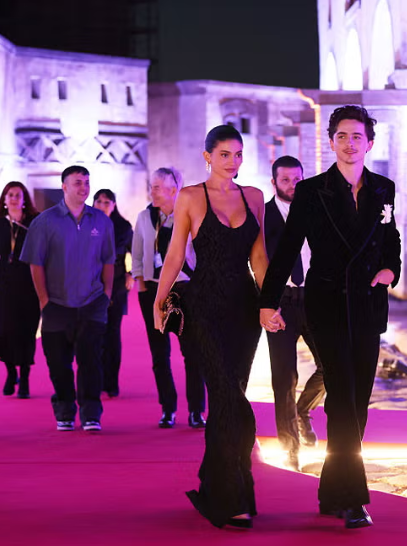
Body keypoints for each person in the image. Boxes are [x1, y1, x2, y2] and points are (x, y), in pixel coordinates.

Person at [259, 105, 401, 529]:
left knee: (357, 403)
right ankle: (353, 498)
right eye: (341, 136)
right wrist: (268, 302)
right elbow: (287, 249)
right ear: (331, 142)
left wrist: (390, 268)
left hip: (369, 306)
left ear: (369, 143)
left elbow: (390, 237)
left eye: (357, 136)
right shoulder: (311, 191)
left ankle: (331, 490)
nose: (349, 144)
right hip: (327, 306)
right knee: (340, 398)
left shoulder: (384, 188)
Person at [153, 125, 270, 529]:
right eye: (224, 154)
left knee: (229, 396)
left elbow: (260, 257)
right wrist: (158, 301)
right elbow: (174, 255)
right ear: (207, 157)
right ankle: (235, 497)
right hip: (204, 306)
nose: (233, 162)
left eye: (238, 154)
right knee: (226, 396)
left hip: (244, 310)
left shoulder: (254, 197)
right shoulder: (190, 197)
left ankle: (214, 484)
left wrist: (269, 303)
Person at [20, 166, 115, 432]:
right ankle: (64, 409)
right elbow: (35, 263)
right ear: (64, 187)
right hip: (56, 305)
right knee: (58, 364)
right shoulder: (45, 222)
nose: (83, 187)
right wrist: (44, 300)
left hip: (92, 302)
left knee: (91, 362)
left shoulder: (101, 221)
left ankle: (91, 413)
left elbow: (108, 260)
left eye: (86, 182)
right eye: (77, 183)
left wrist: (106, 294)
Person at [263, 156, 325, 471]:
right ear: (274, 182)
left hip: (315, 300)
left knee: (331, 366)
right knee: (284, 378)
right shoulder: (263, 216)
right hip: (281, 302)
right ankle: (290, 449)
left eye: (297, 179)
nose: (292, 185)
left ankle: (303, 409)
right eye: (285, 180)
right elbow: (257, 261)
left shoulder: (316, 210)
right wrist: (267, 303)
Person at [132, 168, 205, 428]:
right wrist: (142, 287)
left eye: (156, 187)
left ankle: (196, 410)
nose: (151, 192)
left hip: (185, 289)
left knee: (192, 353)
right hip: (153, 290)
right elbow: (137, 253)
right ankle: (168, 408)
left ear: (173, 190)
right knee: (159, 354)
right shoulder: (145, 217)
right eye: (151, 186)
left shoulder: (190, 214)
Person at [0, 182, 41, 398]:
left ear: (24, 199)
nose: (14, 199)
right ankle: (11, 373)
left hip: (29, 285)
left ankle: (25, 378)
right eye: (10, 195)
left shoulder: (34, 223)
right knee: (5, 332)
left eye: (18, 195)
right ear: (4, 199)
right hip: (4, 287)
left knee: (26, 332)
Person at [92, 189, 134, 398]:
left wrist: (131, 274)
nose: (102, 206)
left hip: (116, 284)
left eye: (106, 202)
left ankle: (112, 382)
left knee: (113, 333)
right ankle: (96, 381)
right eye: (98, 201)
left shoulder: (123, 227)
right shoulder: (85, 224)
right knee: (94, 334)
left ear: (114, 205)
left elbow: (137, 252)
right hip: (91, 284)